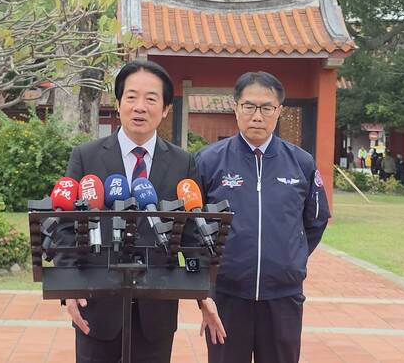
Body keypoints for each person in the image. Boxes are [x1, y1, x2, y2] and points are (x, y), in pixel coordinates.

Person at [57, 60, 207, 363]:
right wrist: (68, 287)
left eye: (151, 99)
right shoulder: (86, 156)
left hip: (157, 311)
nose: (140, 107)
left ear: (165, 109)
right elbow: (65, 226)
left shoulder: (183, 162)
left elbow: (192, 236)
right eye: (131, 97)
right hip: (97, 307)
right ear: (118, 103)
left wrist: (205, 292)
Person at [195, 71, 329, 363]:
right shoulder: (208, 161)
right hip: (228, 296)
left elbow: (315, 221)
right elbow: (193, 226)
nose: (257, 116)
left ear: (279, 111)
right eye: (249, 106)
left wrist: (289, 256)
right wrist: (206, 286)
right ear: (235, 107)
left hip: (283, 297)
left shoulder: (301, 162)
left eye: (267, 108)